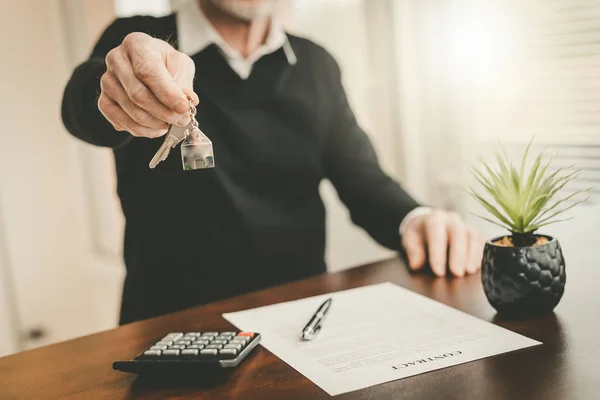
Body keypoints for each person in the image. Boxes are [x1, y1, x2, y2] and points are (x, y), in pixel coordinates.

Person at [62, 0, 485, 325]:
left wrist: (419, 217)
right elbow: (84, 106)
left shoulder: (316, 64)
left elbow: (362, 178)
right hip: (168, 326)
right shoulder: (135, 40)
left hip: (299, 323)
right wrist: (119, 89)